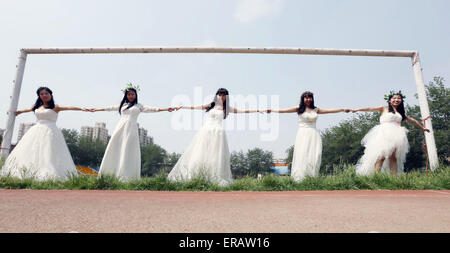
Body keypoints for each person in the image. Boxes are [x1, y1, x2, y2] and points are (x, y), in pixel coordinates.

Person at [168, 88, 261, 186]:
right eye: (219, 95)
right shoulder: (210, 105)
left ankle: (213, 177)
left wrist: (258, 110)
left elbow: (242, 111)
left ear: (226, 97)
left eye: (224, 95)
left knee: (215, 156)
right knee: (199, 154)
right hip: (205, 131)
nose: (221, 97)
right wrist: (182, 107)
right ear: (216, 95)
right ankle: (194, 177)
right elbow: (196, 107)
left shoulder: (226, 108)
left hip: (218, 133)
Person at [1, 86, 89, 181]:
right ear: (39, 96)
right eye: (41, 94)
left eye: (46, 93)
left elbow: (69, 107)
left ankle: (49, 175)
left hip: (50, 131)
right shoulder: (37, 106)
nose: (44, 95)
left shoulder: (56, 107)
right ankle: (28, 173)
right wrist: (19, 112)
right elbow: (28, 109)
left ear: (50, 94)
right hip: (36, 131)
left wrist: (82, 108)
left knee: (48, 152)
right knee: (31, 151)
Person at [90, 83, 175, 182]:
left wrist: (166, 109)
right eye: (129, 94)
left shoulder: (139, 106)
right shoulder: (122, 105)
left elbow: (152, 109)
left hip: (132, 130)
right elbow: (109, 108)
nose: (131, 96)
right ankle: (109, 175)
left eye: (132, 94)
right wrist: (95, 110)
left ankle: (127, 177)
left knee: (129, 149)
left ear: (135, 95)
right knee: (115, 148)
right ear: (126, 95)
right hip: (120, 128)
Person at [266, 91, 350, 181]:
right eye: (306, 98)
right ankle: (299, 178)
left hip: (314, 134)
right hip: (303, 134)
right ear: (303, 99)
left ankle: (311, 177)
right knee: (302, 154)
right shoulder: (299, 108)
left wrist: (342, 109)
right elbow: (284, 110)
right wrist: (272, 110)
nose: (308, 99)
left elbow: (329, 111)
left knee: (315, 155)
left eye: (310, 97)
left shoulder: (316, 109)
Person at [352, 91, 430, 175]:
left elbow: (412, 120)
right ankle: (376, 176)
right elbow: (370, 108)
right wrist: (357, 110)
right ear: (389, 100)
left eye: (399, 98)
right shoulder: (384, 108)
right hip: (384, 133)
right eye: (394, 98)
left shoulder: (400, 112)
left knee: (393, 157)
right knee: (381, 156)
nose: (396, 100)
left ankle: (394, 178)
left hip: (397, 135)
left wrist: (423, 128)